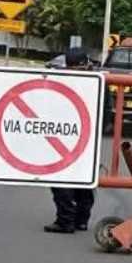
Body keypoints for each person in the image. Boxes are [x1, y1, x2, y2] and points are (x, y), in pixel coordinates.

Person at [44, 47, 97, 234]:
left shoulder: (62, 80)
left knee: (60, 177)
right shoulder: (98, 81)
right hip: (86, 136)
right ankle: (81, 220)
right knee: (83, 178)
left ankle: (66, 220)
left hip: (65, 136)